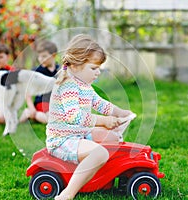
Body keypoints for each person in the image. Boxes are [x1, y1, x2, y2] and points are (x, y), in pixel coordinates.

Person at [45, 34, 136, 200]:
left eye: (99, 68)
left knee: (113, 138)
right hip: (62, 139)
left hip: (78, 133)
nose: (98, 72)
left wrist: (120, 113)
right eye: (94, 68)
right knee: (100, 153)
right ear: (76, 65)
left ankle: (104, 174)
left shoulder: (84, 84)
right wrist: (104, 121)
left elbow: (100, 103)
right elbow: (74, 116)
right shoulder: (68, 85)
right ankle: (67, 193)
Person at [19, 40, 59, 124]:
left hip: (56, 104)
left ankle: (31, 114)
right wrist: (31, 107)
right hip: (42, 103)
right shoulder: (36, 72)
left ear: (54, 55)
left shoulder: (59, 71)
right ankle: (34, 114)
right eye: (39, 56)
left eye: (44, 56)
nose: (41, 59)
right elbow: (27, 91)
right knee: (52, 121)